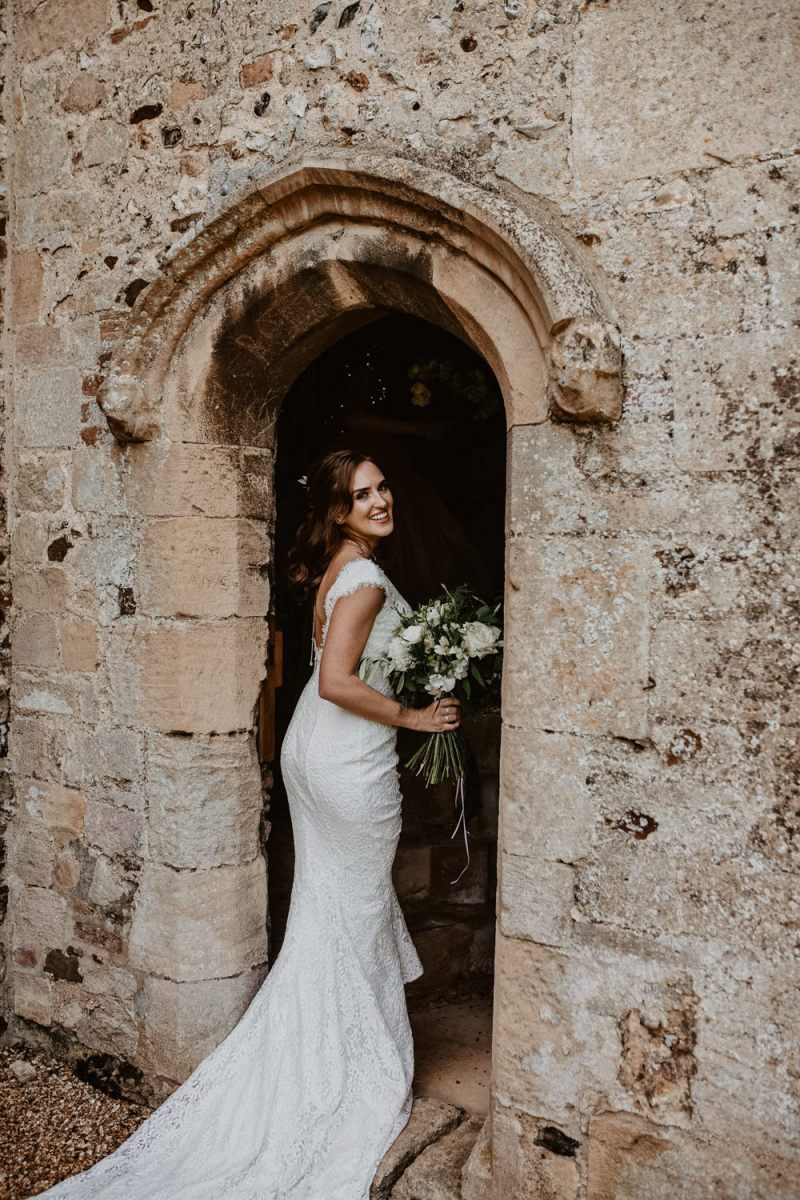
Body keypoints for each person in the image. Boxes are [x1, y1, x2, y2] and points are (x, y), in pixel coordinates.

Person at [35, 449, 460, 1200]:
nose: (380, 500)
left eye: (383, 486)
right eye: (363, 495)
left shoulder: (341, 566)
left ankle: (319, 1047)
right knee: (352, 909)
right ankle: (350, 1067)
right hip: (348, 760)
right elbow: (336, 682)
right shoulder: (362, 580)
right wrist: (416, 717)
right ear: (339, 510)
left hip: (315, 752)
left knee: (331, 906)